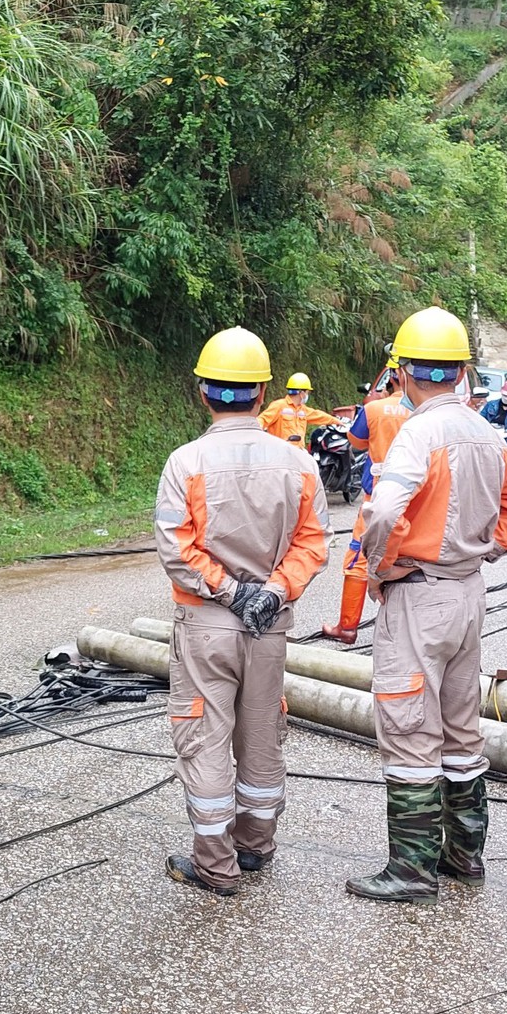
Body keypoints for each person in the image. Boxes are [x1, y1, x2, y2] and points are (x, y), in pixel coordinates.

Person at [346, 309, 507, 903]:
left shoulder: (417, 433)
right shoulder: (487, 432)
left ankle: (412, 869)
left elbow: (382, 511)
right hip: (466, 593)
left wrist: (382, 568)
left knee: (409, 724)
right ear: (461, 372)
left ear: (404, 372)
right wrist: (489, 547)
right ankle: (465, 854)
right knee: (460, 726)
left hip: (419, 594)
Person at [155, 328, 328, 896]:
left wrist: (231, 592)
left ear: (203, 390)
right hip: (269, 626)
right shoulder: (298, 464)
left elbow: (179, 549)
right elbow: (312, 542)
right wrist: (272, 592)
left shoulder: (186, 463)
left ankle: (216, 864)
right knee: (260, 732)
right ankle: (255, 845)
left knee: (205, 736)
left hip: (208, 626)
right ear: (262, 392)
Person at [325, 360, 408, 645]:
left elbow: (356, 442)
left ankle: (347, 627)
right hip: (418, 500)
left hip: (377, 498)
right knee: (411, 559)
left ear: (392, 379)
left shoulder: (373, 409)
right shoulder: (426, 412)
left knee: (359, 559)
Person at [260, 372, 339, 447]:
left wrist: (336, 421)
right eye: (307, 392)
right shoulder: (279, 406)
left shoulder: (303, 410)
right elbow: (262, 419)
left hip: (299, 452)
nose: (307, 395)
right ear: (301, 393)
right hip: (281, 453)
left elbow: (318, 416)